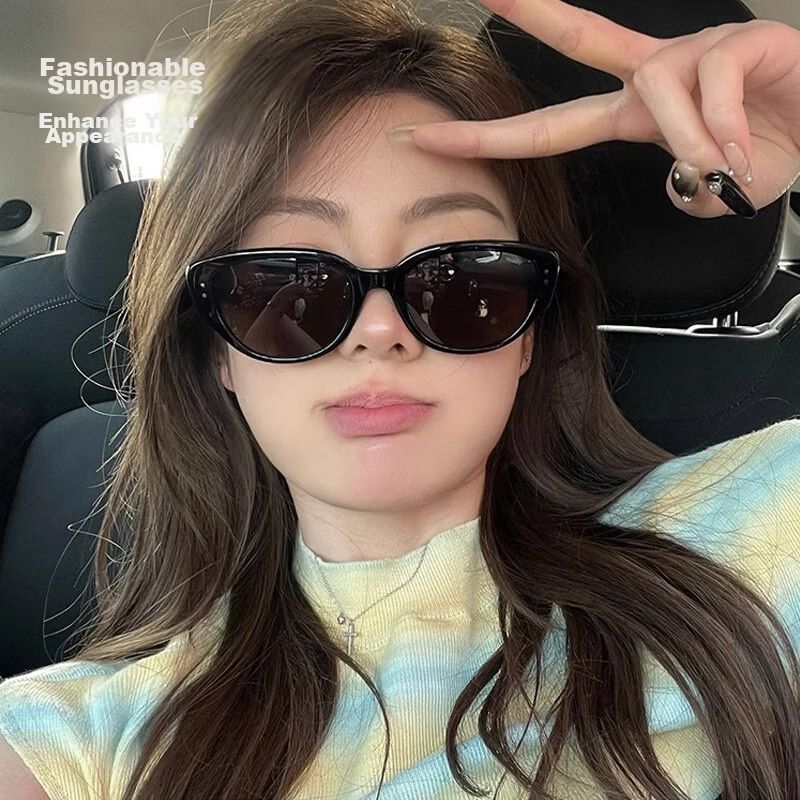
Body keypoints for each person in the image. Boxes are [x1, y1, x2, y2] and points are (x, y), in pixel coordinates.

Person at [1, 0, 799, 798]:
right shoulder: (87, 732)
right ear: (219, 348)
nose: (378, 332)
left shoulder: (759, 532)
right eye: (290, 280)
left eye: (462, 275)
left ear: (528, 332)